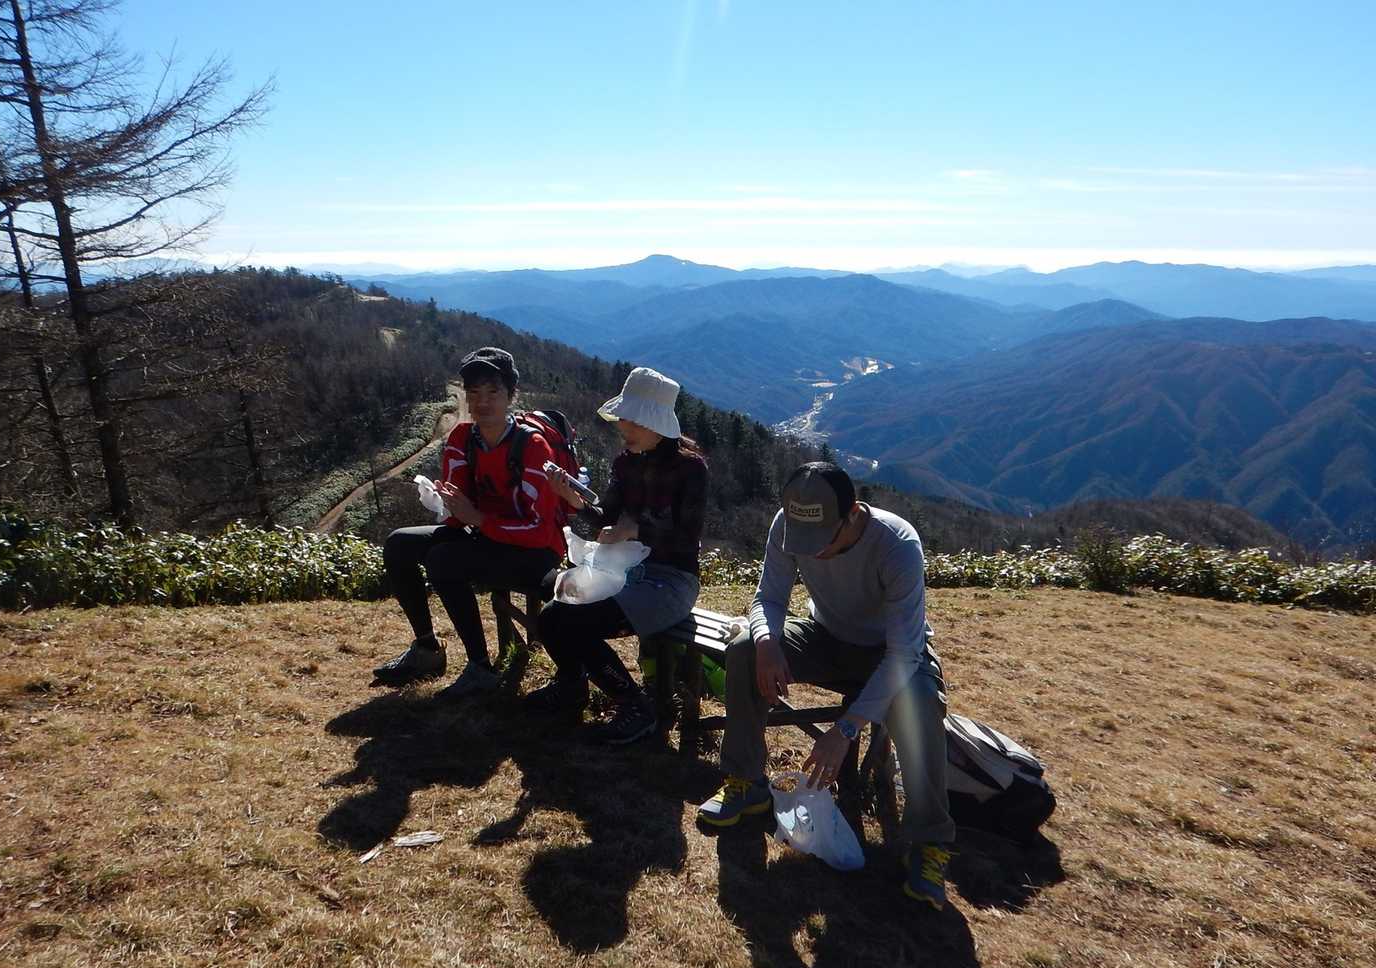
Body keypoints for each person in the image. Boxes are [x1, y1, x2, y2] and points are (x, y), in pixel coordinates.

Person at [696, 462, 957, 909]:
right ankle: (747, 781)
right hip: (827, 635)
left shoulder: (897, 544)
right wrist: (766, 641)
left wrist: (846, 728)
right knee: (742, 648)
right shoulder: (786, 523)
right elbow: (769, 597)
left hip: (890, 651)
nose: (814, 553)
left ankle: (929, 841)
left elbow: (904, 653)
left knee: (920, 702)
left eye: (823, 541)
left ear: (852, 513)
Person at [373, 347, 564, 699]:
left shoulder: (532, 447)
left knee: (443, 559)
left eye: (493, 392)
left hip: (534, 551)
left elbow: (539, 531)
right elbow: (458, 510)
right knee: (399, 542)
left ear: (511, 396)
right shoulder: (462, 438)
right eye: (474, 393)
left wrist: (476, 518)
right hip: (486, 537)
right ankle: (427, 649)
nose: (482, 402)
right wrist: (447, 505)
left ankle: (479, 667)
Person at [533, 366, 708, 745]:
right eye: (624, 418)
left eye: (633, 420)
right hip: (624, 570)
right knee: (551, 610)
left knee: (574, 622)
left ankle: (635, 705)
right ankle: (572, 685)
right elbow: (606, 519)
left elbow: (686, 538)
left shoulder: (690, 469)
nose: (623, 426)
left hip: (670, 581)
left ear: (657, 425)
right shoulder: (626, 463)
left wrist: (635, 531)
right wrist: (573, 501)